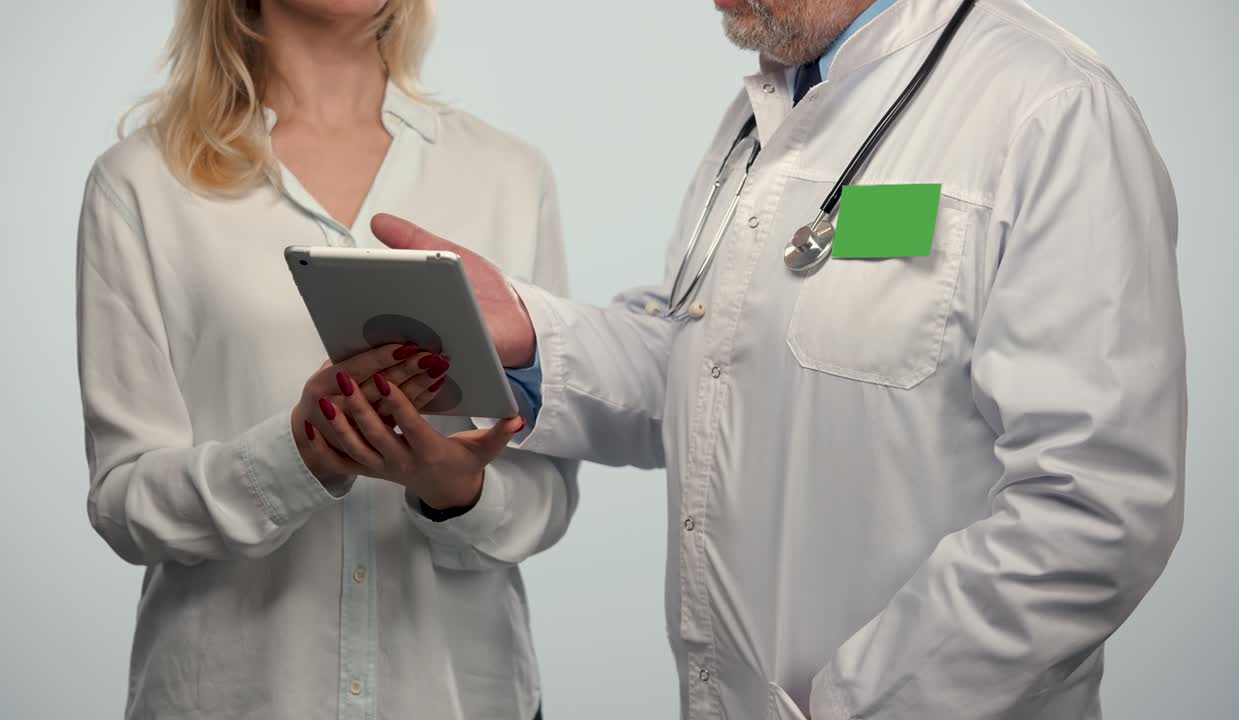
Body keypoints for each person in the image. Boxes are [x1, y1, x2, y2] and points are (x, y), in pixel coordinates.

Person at [371, 0, 1187, 718]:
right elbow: (711, 368)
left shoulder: (1049, 108)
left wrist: (852, 706)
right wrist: (528, 332)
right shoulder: (765, 111)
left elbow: (1092, 509)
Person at [74, 1, 575, 718]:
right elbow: (126, 503)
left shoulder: (508, 174)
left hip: (456, 695)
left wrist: (456, 492)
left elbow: (545, 492)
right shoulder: (141, 185)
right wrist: (299, 457)